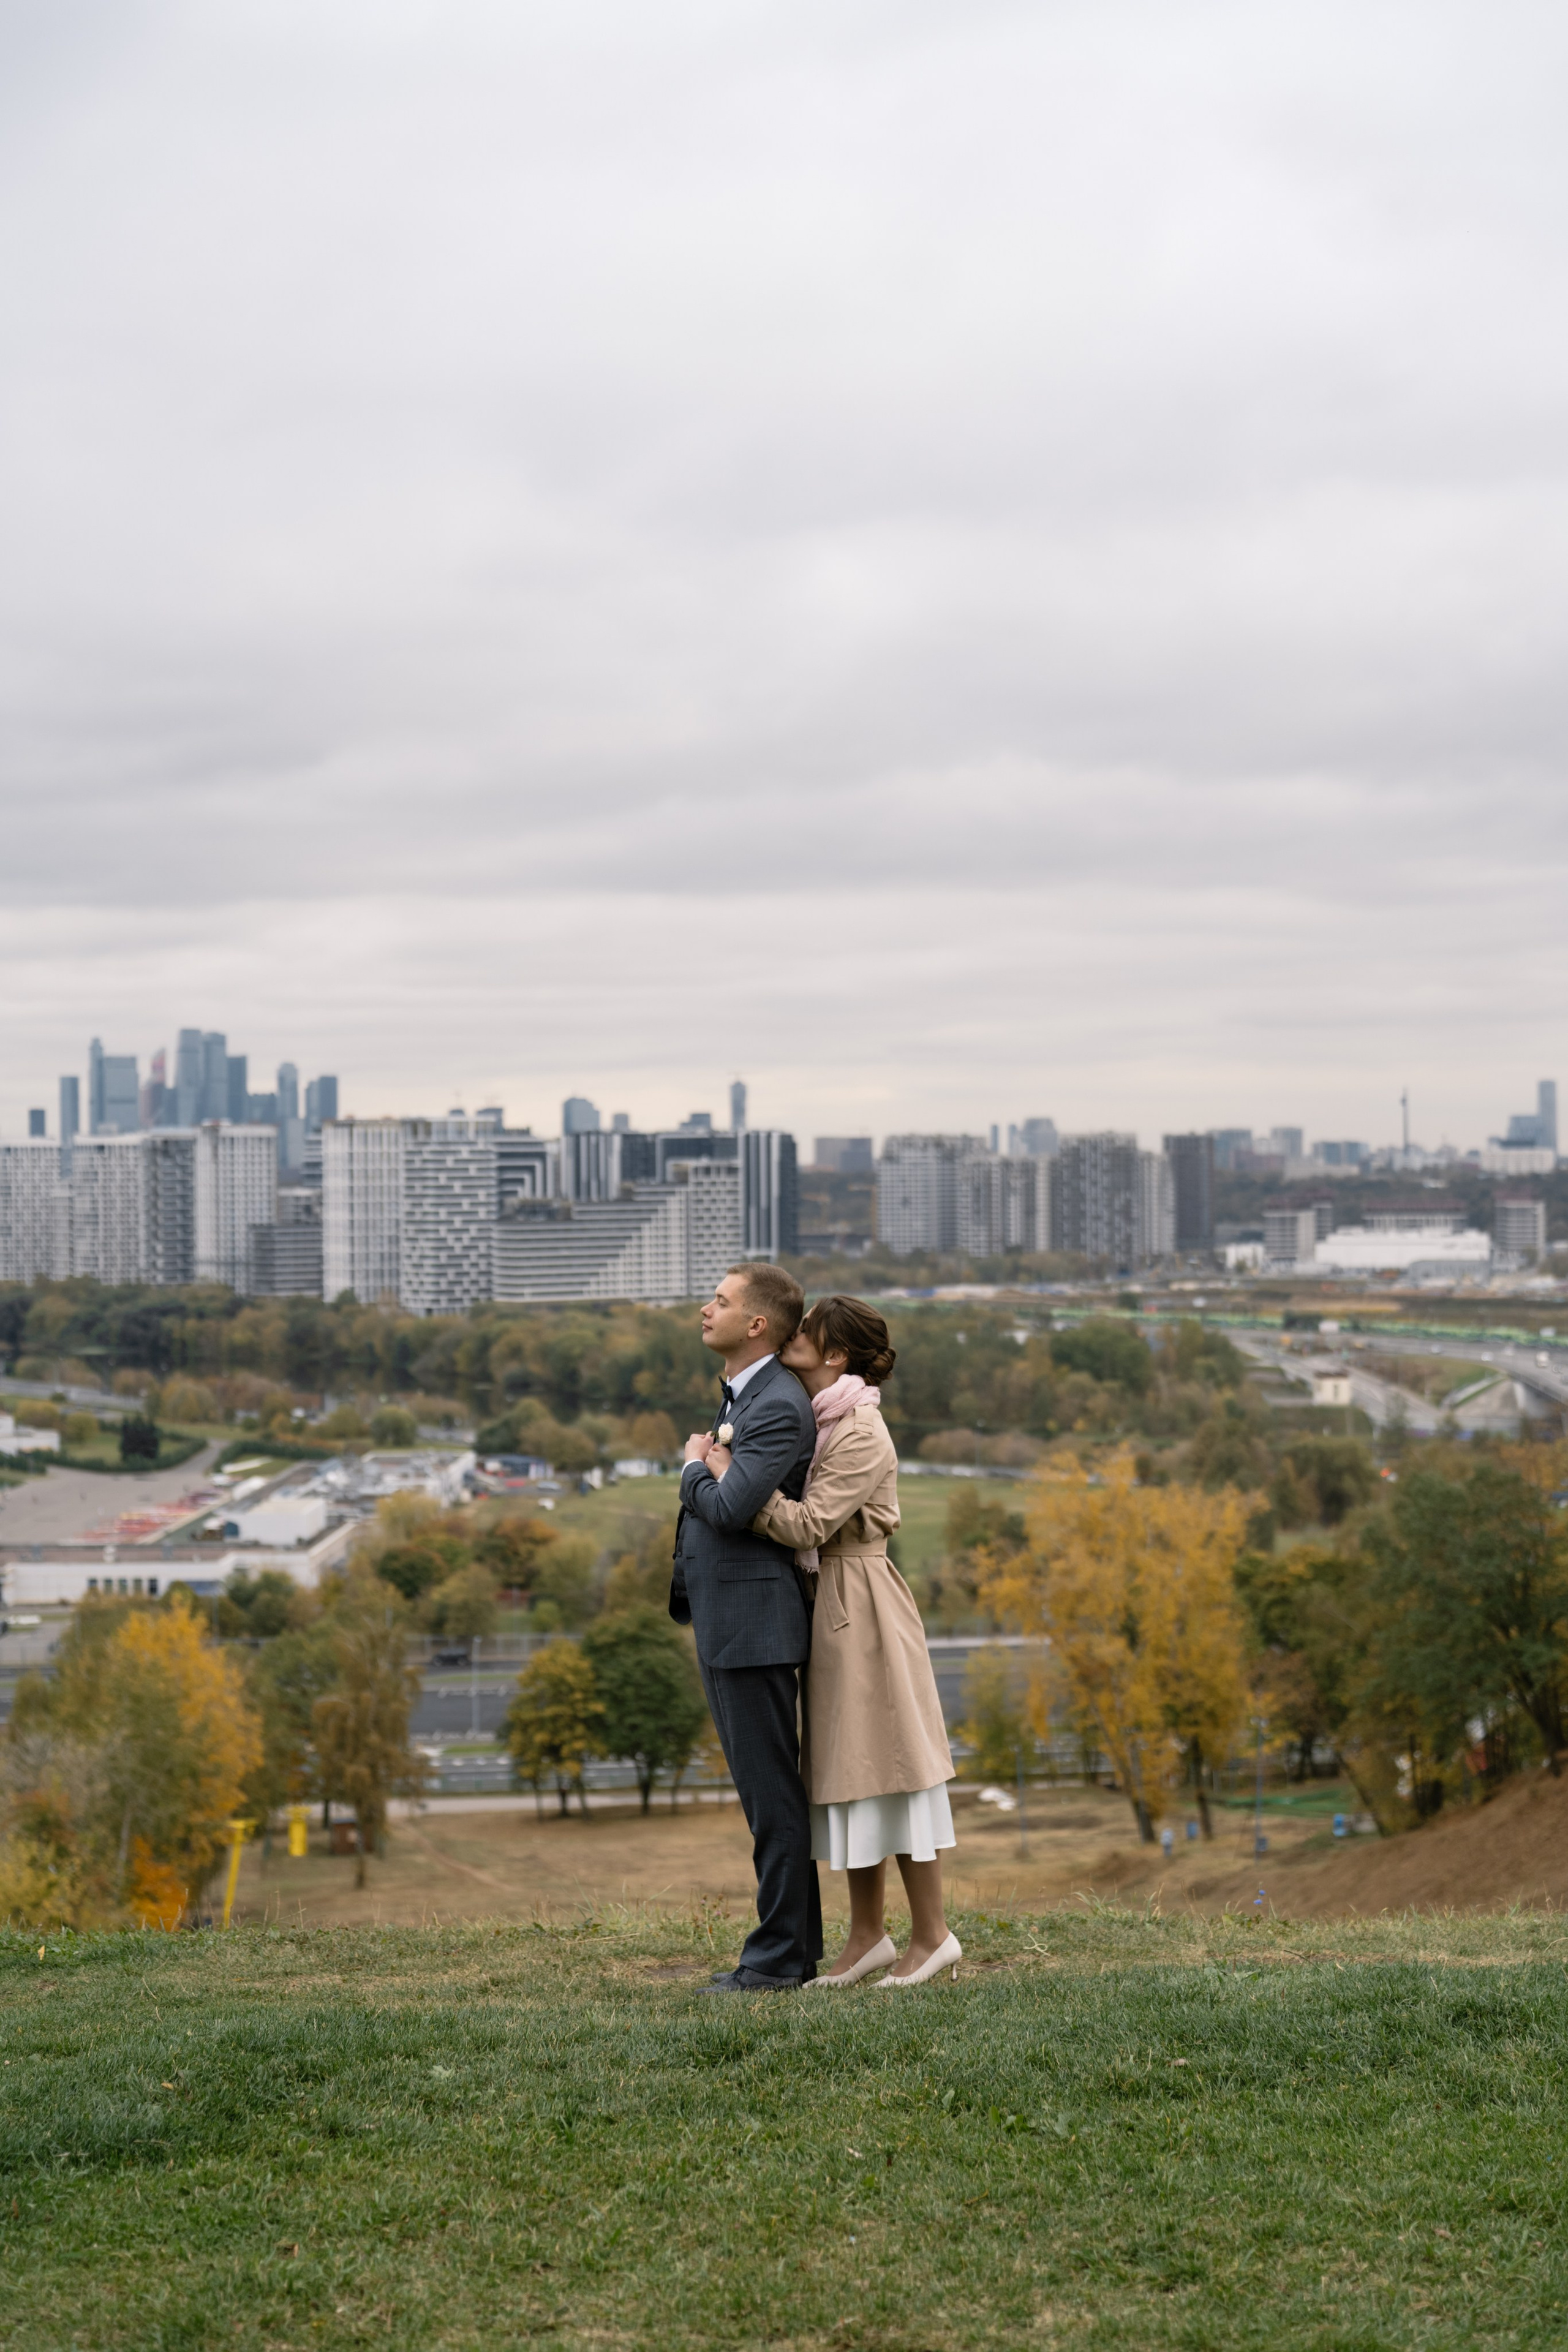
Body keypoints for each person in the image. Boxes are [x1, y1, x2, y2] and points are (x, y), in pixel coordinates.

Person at [706, 1294, 960, 1987]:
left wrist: (733, 1480)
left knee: (894, 1769)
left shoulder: (860, 1432)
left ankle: (933, 1937)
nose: (794, 1336)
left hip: (863, 1607)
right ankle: (868, 1938)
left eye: (807, 1333)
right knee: (848, 1777)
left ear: (836, 1354)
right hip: (833, 1606)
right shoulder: (828, 1420)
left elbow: (810, 1525)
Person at [671, 1261, 820, 1991]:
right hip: (730, 1621)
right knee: (765, 1798)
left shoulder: (774, 1406)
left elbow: (732, 1509)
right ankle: (792, 1949)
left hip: (754, 1625)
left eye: (720, 1301)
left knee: (772, 1800)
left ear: (756, 1323)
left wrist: (694, 1468)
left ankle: (776, 1960)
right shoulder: (746, 1394)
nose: (706, 1308)